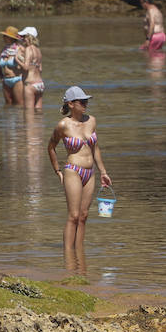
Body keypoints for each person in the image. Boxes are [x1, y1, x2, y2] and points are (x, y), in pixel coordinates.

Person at [47, 85, 112, 255]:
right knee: (73, 216)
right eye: (81, 101)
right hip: (73, 171)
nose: (85, 104)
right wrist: (57, 171)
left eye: (86, 101)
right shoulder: (63, 125)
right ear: (71, 104)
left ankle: (80, 256)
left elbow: (95, 148)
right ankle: (68, 258)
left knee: (83, 216)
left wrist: (103, 172)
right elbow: (51, 147)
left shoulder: (91, 120)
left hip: (90, 173)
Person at [18, 26, 45, 111]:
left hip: (30, 84)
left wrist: (17, 58)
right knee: (38, 114)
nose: (23, 39)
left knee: (29, 114)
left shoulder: (28, 49)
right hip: (40, 84)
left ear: (29, 37)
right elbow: (40, 69)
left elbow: (26, 67)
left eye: (24, 37)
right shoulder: (38, 50)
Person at [0, 26, 24, 105]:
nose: (3, 37)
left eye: (5, 36)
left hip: (17, 80)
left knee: (19, 104)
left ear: (11, 38)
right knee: (8, 104)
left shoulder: (20, 49)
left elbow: (27, 65)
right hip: (6, 80)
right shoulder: (4, 50)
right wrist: (1, 76)